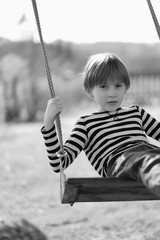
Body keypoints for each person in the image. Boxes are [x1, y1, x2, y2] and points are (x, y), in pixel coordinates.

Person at [41, 52, 160, 198]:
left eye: (118, 86)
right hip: (121, 161)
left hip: (152, 155)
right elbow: (59, 164)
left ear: (125, 88)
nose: (112, 93)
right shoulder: (86, 124)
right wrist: (48, 124)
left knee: (151, 160)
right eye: (103, 86)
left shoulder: (136, 112)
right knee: (146, 162)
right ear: (90, 91)